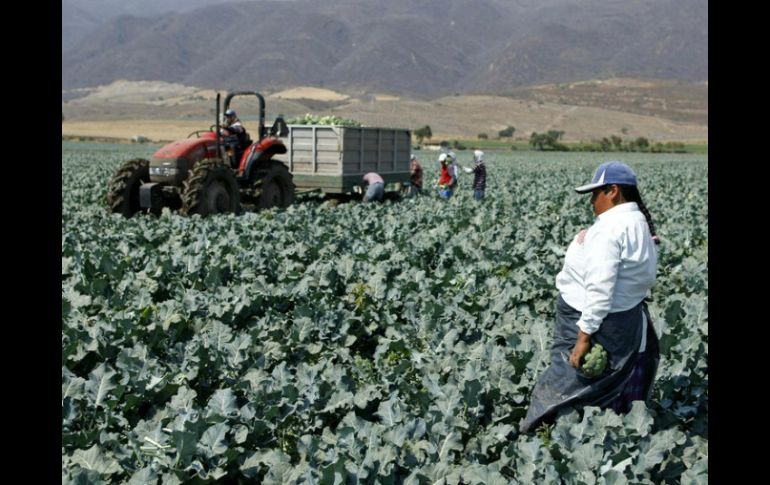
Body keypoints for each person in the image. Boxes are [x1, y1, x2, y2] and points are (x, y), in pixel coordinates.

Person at [520, 161, 661, 433]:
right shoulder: (637, 221)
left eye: (595, 194)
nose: (592, 202)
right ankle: (606, 430)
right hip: (624, 318)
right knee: (607, 381)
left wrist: (584, 337)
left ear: (613, 191)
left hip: (593, 319)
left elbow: (600, 288)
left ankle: (540, 430)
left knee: (568, 380)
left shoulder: (609, 230)